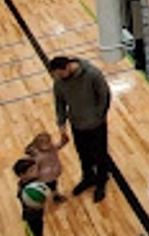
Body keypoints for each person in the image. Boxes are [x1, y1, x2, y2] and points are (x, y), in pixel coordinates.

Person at [49, 55, 111, 202]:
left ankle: (101, 181)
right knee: (83, 153)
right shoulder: (59, 81)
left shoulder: (92, 74)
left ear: (67, 67)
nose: (57, 78)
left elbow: (105, 96)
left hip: (96, 124)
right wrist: (61, 124)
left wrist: (98, 116)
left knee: (100, 154)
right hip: (77, 124)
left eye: (59, 74)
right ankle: (88, 177)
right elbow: (60, 103)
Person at [26, 131, 69, 202]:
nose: (49, 144)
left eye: (50, 141)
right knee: (43, 189)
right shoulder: (37, 156)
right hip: (44, 177)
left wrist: (64, 140)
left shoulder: (52, 147)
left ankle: (56, 196)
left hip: (53, 173)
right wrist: (35, 176)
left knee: (53, 185)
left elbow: (60, 145)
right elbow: (35, 168)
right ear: (39, 145)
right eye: (46, 143)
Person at [14, 157, 47, 236]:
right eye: (31, 171)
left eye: (35, 169)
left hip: (37, 216)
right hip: (31, 219)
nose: (36, 172)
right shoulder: (26, 191)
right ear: (22, 175)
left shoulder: (31, 181)